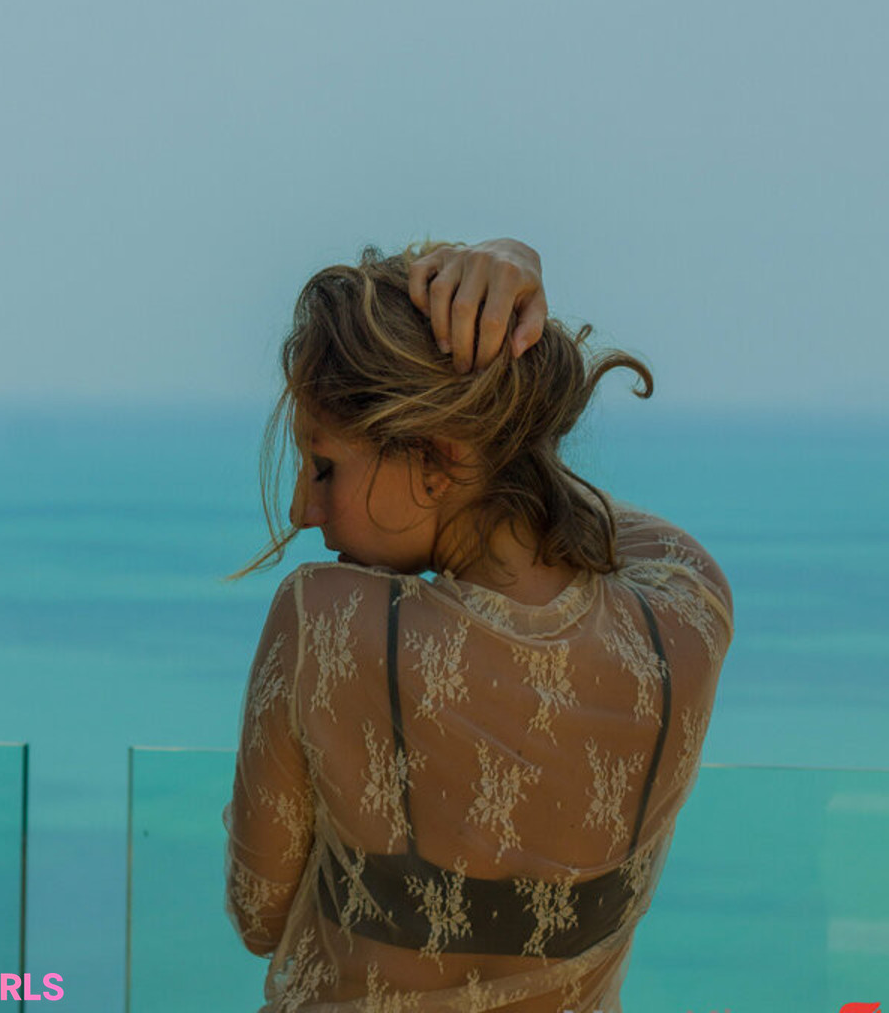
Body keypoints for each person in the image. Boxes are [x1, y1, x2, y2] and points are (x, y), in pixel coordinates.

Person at [223, 238, 734, 1013]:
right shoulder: (686, 613)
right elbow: (582, 518)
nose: (302, 509)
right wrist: (509, 327)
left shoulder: (324, 620)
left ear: (437, 458)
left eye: (324, 465)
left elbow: (259, 915)